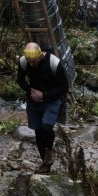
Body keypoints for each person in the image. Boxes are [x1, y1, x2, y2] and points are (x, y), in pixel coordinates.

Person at [17, 42, 70, 173]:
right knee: (38, 131)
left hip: (52, 98)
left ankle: (50, 151)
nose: (32, 65)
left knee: (47, 126)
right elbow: (20, 79)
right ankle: (45, 164)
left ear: (40, 56)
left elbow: (65, 86)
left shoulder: (53, 62)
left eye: (34, 62)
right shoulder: (24, 62)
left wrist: (44, 95)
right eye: (30, 62)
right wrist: (29, 91)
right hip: (33, 99)